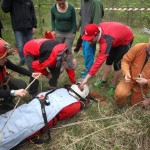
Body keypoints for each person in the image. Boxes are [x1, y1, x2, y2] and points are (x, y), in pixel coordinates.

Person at [0, 82, 89, 150]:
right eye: (80, 84)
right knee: (12, 118)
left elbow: (70, 110)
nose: (80, 85)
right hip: (32, 108)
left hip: (38, 118)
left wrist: (82, 103)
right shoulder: (66, 95)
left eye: (81, 87)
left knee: (15, 130)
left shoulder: (72, 102)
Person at [80, 22, 134, 94]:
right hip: (115, 38)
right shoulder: (97, 29)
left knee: (117, 64)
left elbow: (99, 61)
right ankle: (103, 80)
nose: (88, 41)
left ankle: (113, 85)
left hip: (125, 40)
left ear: (97, 35)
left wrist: (86, 78)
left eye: (90, 39)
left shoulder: (106, 40)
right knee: (109, 60)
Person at [0, 39, 40, 114]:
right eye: (3, 58)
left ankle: (7, 101)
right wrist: (13, 92)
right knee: (4, 113)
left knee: (21, 85)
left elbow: (15, 67)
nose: (6, 60)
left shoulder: (3, 61)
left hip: (1, 81)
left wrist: (30, 74)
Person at [1, 0, 37, 66]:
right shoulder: (11, 2)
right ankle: (22, 60)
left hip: (29, 27)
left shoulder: (29, 1)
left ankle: (33, 59)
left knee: (32, 45)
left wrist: (34, 26)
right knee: (20, 46)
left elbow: (33, 14)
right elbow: (5, 9)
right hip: (18, 28)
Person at [74, 0, 104, 78]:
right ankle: (88, 69)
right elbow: (83, 16)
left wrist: (94, 37)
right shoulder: (83, 1)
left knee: (89, 54)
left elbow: (97, 21)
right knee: (85, 52)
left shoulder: (95, 2)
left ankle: (89, 72)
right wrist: (79, 25)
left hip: (91, 35)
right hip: (84, 33)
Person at [115, 40, 150, 106]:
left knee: (135, 105)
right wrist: (126, 73)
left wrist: (147, 82)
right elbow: (125, 61)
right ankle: (119, 105)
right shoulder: (138, 47)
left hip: (143, 85)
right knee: (120, 93)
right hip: (130, 78)